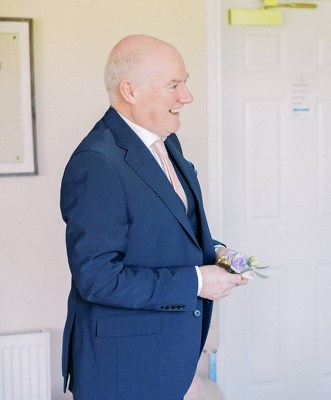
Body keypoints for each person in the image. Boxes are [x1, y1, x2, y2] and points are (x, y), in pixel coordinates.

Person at [60, 34, 246, 399]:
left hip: (168, 358)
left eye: (185, 82)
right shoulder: (96, 163)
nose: (187, 96)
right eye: (174, 85)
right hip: (124, 366)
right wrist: (196, 282)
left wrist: (217, 252)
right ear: (129, 91)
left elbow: (169, 229)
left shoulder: (165, 140)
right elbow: (98, 278)